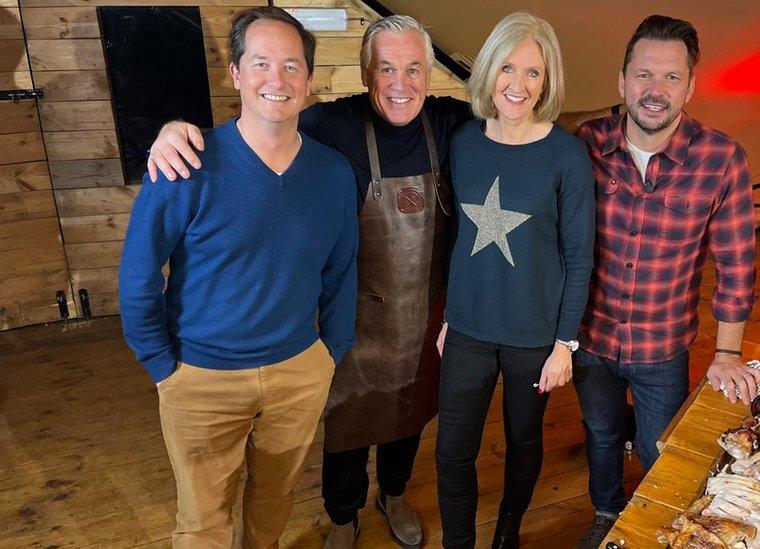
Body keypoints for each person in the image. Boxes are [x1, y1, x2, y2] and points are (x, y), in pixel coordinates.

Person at [147, 15, 466, 548]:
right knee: (347, 425)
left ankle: (393, 494)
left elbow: (521, 119)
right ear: (366, 73)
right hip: (353, 318)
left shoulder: (452, 125)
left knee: (409, 413)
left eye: (413, 69)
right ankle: (343, 516)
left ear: (430, 75)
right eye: (386, 68)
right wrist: (176, 130)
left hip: (421, 317)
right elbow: (259, 126)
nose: (400, 84)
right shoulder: (330, 125)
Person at [118, 7, 358, 548]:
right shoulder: (187, 163)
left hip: (299, 371)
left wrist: (331, 352)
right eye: (261, 63)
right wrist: (163, 366)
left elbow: (342, 273)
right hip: (201, 377)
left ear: (310, 79)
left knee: (273, 506)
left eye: (292, 66)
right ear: (236, 74)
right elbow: (137, 276)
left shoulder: (333, 174)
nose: (277, 80)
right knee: (203, 523)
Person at [570, 14, 760, 547]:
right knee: (603, 435)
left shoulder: (722, 159)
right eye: (643, 75)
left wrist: (727, 353)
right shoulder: (588, 142)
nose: (655, 91)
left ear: (691, 86)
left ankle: (657, 525)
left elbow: (736, 265)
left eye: (671, 78)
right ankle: (607, 514)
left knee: (660, 450)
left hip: (662, 347)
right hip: (590, 341)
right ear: (622, 81)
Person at [434, 12, 595, 549]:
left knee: (525, 442)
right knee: (452, 449)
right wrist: (451, 315)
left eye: (533, 73)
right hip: (469, 330)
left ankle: (508, 531)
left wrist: (564, 345)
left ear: (547, 82)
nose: (518, 85)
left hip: (535, 338)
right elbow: (457, 236)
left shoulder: (567, 156)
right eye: (508, 68)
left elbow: (579, 255)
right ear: (488, 71)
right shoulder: (464, 142)